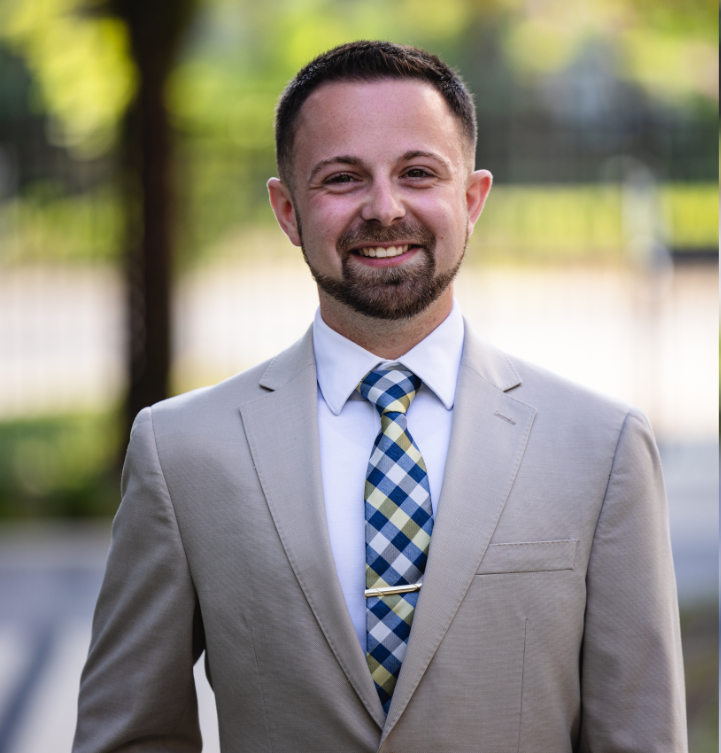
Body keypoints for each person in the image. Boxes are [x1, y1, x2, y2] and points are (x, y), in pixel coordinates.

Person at [74, 41, 686, 752]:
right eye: (342, 179)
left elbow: (638, 736)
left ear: (472, 199)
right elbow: (129, 733)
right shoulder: (181, 452)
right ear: (287, 210)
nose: (385, 209)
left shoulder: (602, 448)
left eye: (418, 173)